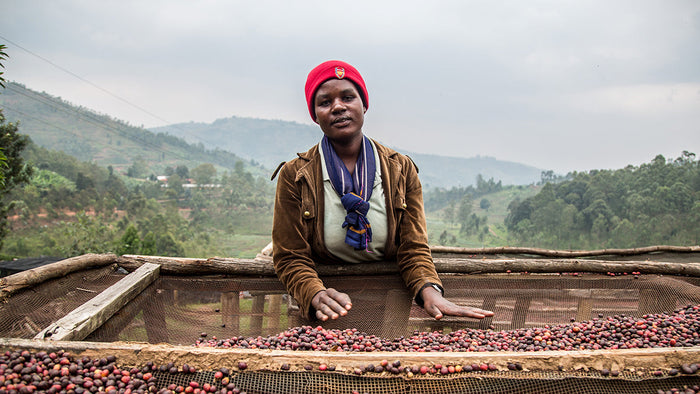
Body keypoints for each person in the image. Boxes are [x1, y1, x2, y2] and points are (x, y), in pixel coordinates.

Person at [272, 60, 494, 324]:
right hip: (326, 306)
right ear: (315, 115)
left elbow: (413, 247)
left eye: (347, 97)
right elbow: (290, 255)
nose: (338, 107)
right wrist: (314, 294)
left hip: (389, 301)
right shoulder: (296, 176)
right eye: (325, 102)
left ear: (364, 104)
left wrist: (429, 290)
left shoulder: (400, 169)